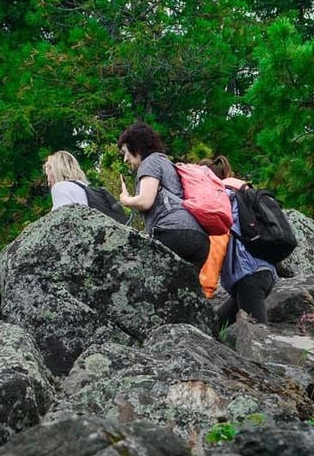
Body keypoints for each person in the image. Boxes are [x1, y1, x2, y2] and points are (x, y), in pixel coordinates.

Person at [117, 123, 210, 267]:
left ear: (136, 146)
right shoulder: (166, 163)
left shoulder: (149, 163)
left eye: (125, 152)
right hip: (200, 238)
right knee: (180, 287)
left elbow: (145, 201)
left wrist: (125, 199)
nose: (125, 159)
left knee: (137, 270)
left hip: (173, 231)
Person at [209, 155, 278, 326]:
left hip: (248, 276)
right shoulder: (239, 194)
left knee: (259, 339)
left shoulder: (220, 200)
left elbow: (216, 245)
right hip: (263, 272)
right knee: (216, 326)